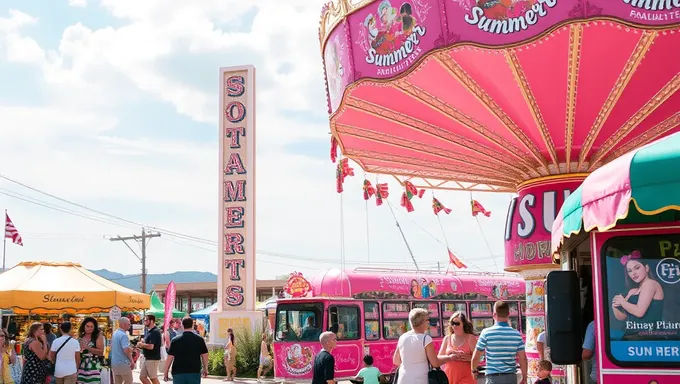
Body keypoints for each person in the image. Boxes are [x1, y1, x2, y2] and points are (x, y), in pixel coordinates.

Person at [393, 308, 455, 384]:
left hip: (403, 379)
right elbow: (435, 363)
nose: (429, 322)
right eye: (427, 320)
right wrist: (450, 358)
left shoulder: (403, 337)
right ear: (421, 322)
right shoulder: (425, 339)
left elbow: (396, 360)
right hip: (420, 379)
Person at [471, 301, 527, 384]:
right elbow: (523, 359)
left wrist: (473, 371)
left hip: (493, 378)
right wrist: (524, 378)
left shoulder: (486, 333)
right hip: (510, 378)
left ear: (494, 315)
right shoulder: (516, 335)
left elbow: (476, 357)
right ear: (508, 315)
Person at [612, 251, 664, 323]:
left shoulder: (651, 283)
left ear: (646, 268)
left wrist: (622, 302)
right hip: (633, 332)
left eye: (637, 268)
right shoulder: (632, 291)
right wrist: (615, 304)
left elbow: (639, 312)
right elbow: (623, 317)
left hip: (649, 332)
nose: (633, 273)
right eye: (630, 271)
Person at [163, 317, 209, 384]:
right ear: (192, 325)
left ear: (182, 325)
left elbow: (170, 357)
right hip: (194, 371)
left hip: (178, 372)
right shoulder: (199, 339)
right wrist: (205, 369)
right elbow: (205, 355)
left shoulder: (175, 340)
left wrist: (166, 371)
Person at [438, 312, 477, 384]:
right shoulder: (447, 338)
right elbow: (439, 358)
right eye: (452, 323)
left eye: (457, 323)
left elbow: (479, 358)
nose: (454, 326)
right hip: (449, 376)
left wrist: (468, 358)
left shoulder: (470, 338)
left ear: (464, 324)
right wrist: (449, 356)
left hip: (467, 376)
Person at [77, 317, 105, 384]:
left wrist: (87, 347)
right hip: (81, 366)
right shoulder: (80, 337)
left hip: (94, 365)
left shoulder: (98, 336)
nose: (90, 328)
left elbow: (101, 352)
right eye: (88, 326)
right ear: (84, 326)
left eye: (92, 326)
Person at [137, 315, 162, 384]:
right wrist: (143, 342)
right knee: (142, 377)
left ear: (151, 321)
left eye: (146, 320)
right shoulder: (149, 331)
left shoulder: (154, 332)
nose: (144, 322)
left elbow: (151, 346)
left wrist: (141, 344)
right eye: (144, 320)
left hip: (152, 358)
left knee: (153, 377)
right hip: (148, 358)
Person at [110, 318, 135, 384]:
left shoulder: (115, 333)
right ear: (123, 324)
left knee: (117, 382)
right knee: (129, 381)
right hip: (123, 362)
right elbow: (126, 350)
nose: (130, 326)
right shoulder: (123, 335)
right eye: (129, 324)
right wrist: (131, 361)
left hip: (115, 362)